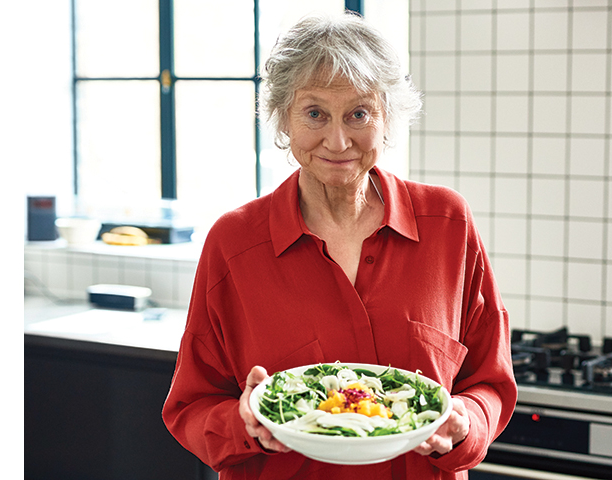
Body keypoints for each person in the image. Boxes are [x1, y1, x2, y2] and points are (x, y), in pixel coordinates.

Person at [162, 12, 516, 480]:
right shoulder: (235, 242)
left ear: (387, 117)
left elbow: (489, 382)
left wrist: (465, 423)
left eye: (359, 113)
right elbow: (191, 405)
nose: (338, 139)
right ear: (283, 119)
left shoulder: (447, 224)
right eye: (315, 113)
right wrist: (242, 422)